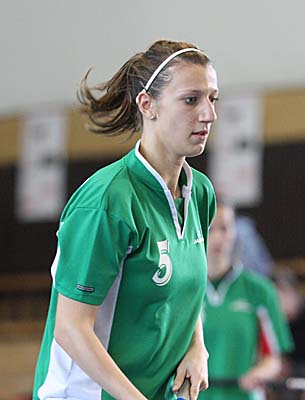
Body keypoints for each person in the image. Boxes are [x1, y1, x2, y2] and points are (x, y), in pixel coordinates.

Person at [33, 39, 218, 400]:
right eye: (191, 99)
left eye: (213, 99)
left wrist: (198, 345)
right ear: (147, 105)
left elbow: (186, 290)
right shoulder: (107, 201)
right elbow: (70, 329)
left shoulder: (200, 193)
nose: (208, 114)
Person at [201, 203, 294, 400]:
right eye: (210, 228)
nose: (217, 237)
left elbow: (274, 359)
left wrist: (259, 373)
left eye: (224, 228)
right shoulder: (184, 290)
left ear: (235, 232)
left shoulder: (260, 290)